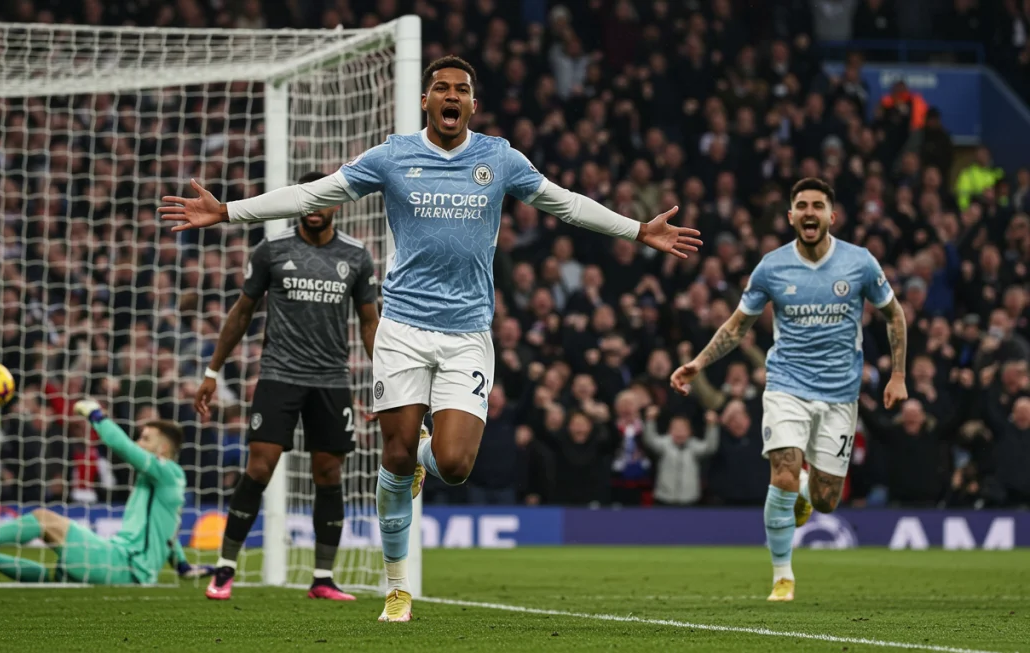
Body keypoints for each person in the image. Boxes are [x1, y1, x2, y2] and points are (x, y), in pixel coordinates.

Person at [160, 55, 701, 622]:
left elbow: (564, 202)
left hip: (467, 333)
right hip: (403, 329)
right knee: (391, 456)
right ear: (426, 100)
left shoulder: (499, 157)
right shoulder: (393, 155)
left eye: (460, 89)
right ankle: (397, 587)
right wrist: (228, 212)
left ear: (472, 103)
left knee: (455, 462)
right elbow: (315, 194)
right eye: (440, 87)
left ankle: (423, 455)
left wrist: (637, 229)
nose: (450, 95)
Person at [669, 177, 908, 602]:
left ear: (831, 216)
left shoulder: (860, 263)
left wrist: (898, 376)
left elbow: (894, 316)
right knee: (782, 469)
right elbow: (737, 325)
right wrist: (699, 363)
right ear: (791, 216)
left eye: (818, 205)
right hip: (786, 386)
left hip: (840, 394)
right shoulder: (771, 267)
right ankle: (783, 575)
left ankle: (804, 492)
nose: (810, 212)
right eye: (802, 205)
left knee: (827, 499)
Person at [194, 170, 380, 602]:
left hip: (332, 380)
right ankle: (225, 568)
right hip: (279, 374)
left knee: (329, 473)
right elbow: (242, 313)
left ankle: (322, 578)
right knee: (259, 467)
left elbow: (370, 323)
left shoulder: (356, 256)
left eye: (323, 200)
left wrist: (384, 380)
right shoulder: (271, 250)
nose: (314, 208)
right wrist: (212, 372)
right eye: (306, 200)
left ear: (338, 202)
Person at [0, 399, 213, 585]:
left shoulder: (169, 472)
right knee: (54, 576)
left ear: (162, 450)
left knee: (43, 520)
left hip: (123, 564)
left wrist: (97, 415)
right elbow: (167, 531)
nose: (137, 442)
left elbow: (123, 448)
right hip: (124, 566)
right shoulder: (165, 482)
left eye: (145, 439)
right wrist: (182, 565)